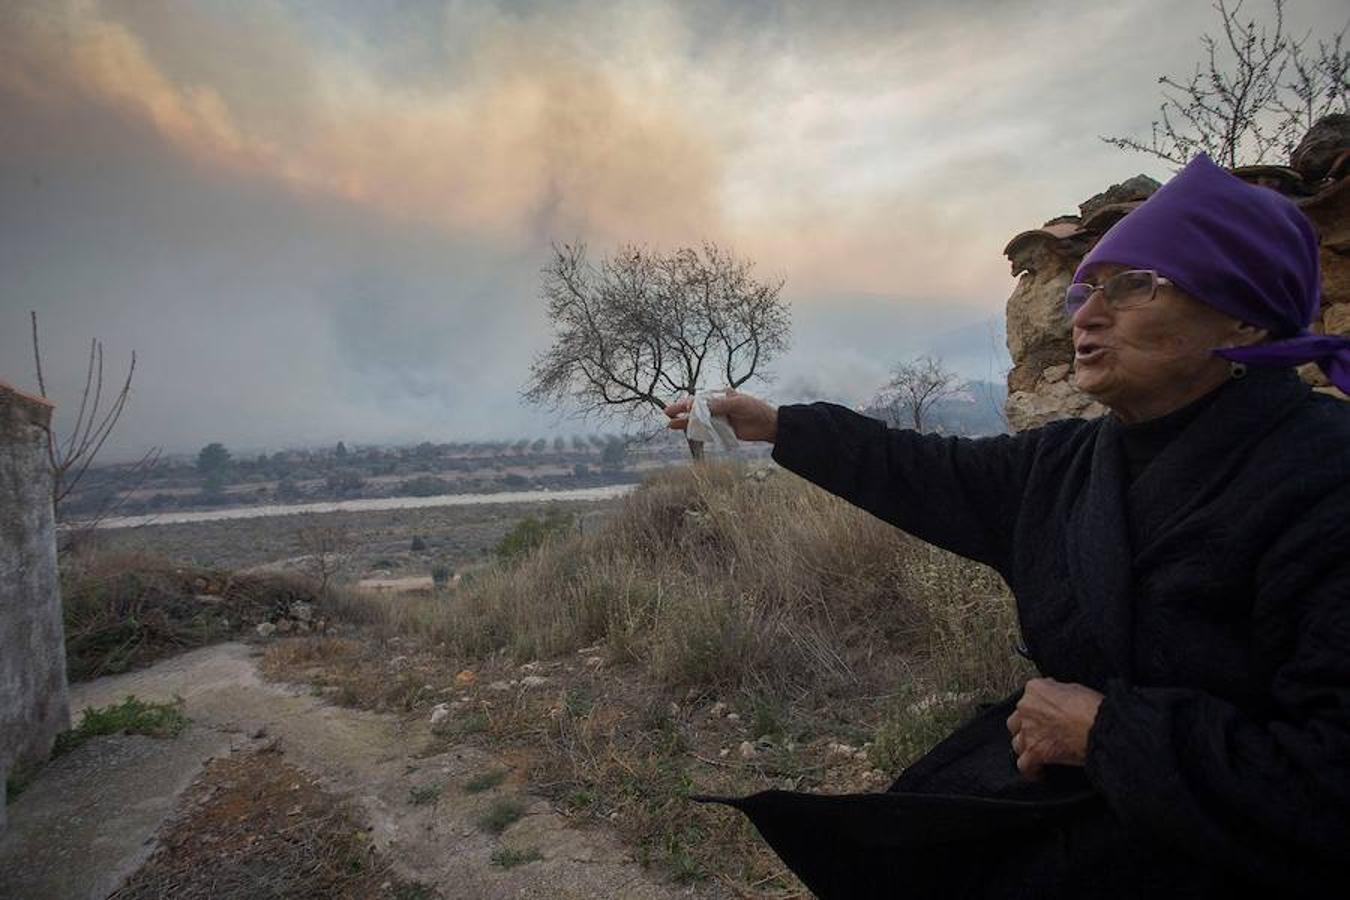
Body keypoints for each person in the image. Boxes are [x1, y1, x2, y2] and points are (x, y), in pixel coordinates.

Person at [664, 155, 1350, 898]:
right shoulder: (1069, 464)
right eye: (1086, 288)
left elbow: (1330, 783)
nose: (1085, 313)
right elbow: (926, 470)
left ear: (1244, 316)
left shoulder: (1325, 482)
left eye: (1132, 286)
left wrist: (1106, 735)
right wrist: (781, 426)